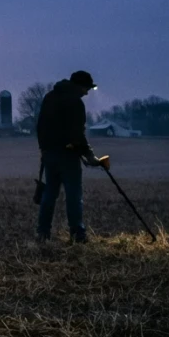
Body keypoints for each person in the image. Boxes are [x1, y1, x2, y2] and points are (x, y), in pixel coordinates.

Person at [36, 70, 103, 243]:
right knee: (73, 194)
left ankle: (42, 234)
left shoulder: (49, 97)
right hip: (67, 156)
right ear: (80, 86)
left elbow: (40, 126)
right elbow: (77, 133)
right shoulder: (75, 102)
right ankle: (77, 234)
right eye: (87, 88)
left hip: (49, 154)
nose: (87, 92)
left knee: (49, 193)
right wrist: (89, 156)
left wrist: (44, 150)